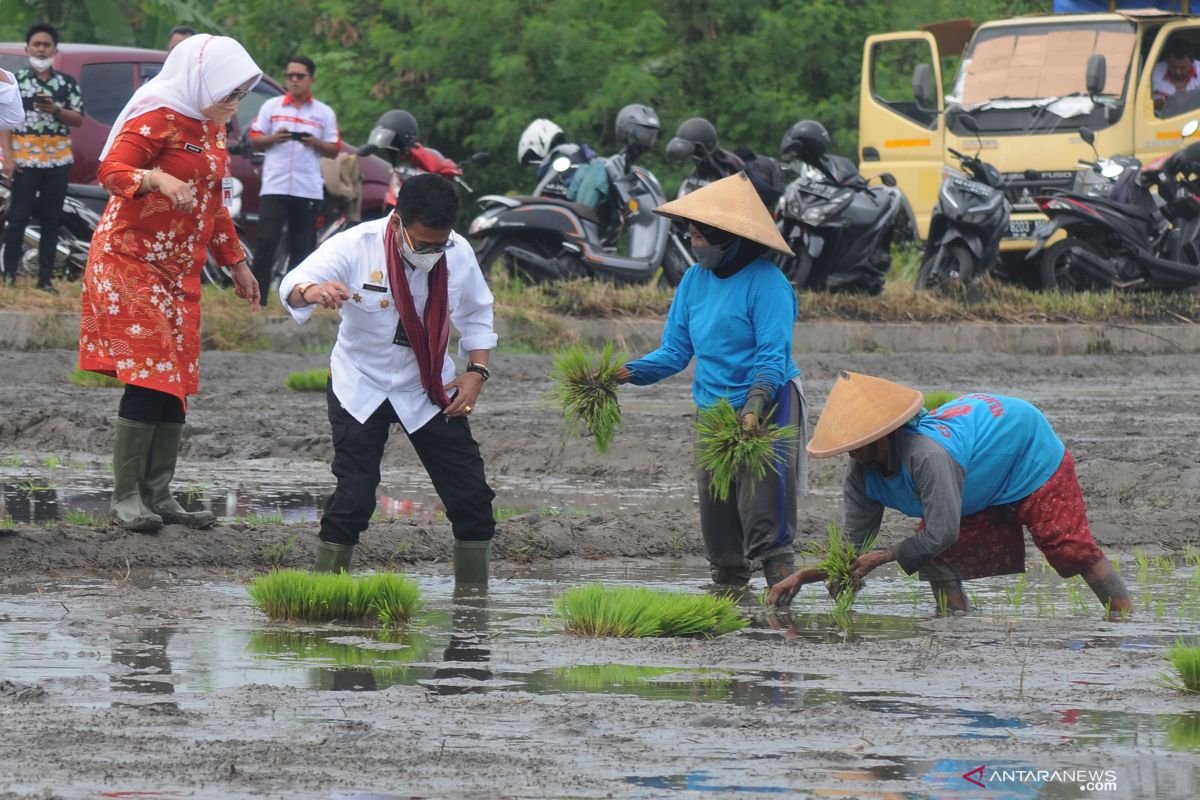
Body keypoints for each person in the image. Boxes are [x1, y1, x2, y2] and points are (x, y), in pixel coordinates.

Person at [78, 34, 262, 532]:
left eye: (241, 96)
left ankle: (158, 494)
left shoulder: (211, 128)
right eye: (229, 94)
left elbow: (213, 203)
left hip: (178, 269)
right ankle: (127, 499)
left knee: (173, 378)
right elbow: (111, 170)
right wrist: (156, 179)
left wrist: (236, 262)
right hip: (128, 259)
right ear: (200, 81)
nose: (234, 105)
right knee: (150, 370)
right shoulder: (156, 117)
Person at [768, 372, 1133, 620]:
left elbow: (942, 531)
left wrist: (883, 557)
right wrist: (804, 576)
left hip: (1023, 448)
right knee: (934, 554)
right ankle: (954, 622)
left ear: (881, 437)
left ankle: (1123, 619)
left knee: (1067, 544)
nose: (850, 455)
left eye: (856, 446)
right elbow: (851, 547)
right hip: (975, 479)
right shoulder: (861, 475)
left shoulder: (926, 455)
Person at [278, 173, 498, 587]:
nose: (433, 253)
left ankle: (471, 612)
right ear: (397, 223)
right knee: (354, 499)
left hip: (428, 385)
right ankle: (326, 596)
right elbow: (292, 284)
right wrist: (313, 291)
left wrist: (476, 373)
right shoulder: (356, 245)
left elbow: (476, 314)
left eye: (440, 244)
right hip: (361, 383)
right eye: (423, 244)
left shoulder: (458, 253)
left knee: (473, 501)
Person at [617, 172, 808, 596]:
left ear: (728, 239)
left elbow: (772, 357)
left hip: (769, 401)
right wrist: (623, 374)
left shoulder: (768, 284)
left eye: (700, 235)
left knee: (763, 511)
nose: (694, 242)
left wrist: (755, 408)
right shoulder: (693, 281)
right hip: (714, 408)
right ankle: (729, 592)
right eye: (691, 234)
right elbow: (674, 353)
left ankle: (783, 605)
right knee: (718, 509)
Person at [248, 55, 340, 305]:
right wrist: (275, 138)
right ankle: (257, 300)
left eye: (300, 76)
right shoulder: (272, 107)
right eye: (290, 76)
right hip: (275, 185)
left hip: (307, 188)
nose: (294, 81)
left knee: (302, 247)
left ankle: (298, 301)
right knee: (266, 241)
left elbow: (334, 148)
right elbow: (255, 138)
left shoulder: (323, 113)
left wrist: (314, 142)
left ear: (311, 79)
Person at [0, 23, 83, 292]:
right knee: (18, 217)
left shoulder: (67, 83)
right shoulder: (15, 80)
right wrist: (9, 157)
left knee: (51, 220)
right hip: (24, 160)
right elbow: (5, 122)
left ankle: (45, 279)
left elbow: (79, 119)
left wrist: (56, 109)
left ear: (55, 50)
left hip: (57, 161)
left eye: (46, 44)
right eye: (36, 44)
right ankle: (9, 277)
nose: (41, 49)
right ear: (27, 49)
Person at [1152, 39, 1200, 113]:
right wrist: (1153, 105)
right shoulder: (1152, 72)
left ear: (1192, 62)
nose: (1178, 72)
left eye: (1182, 68)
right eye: (1174, 67)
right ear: (1167, 61)